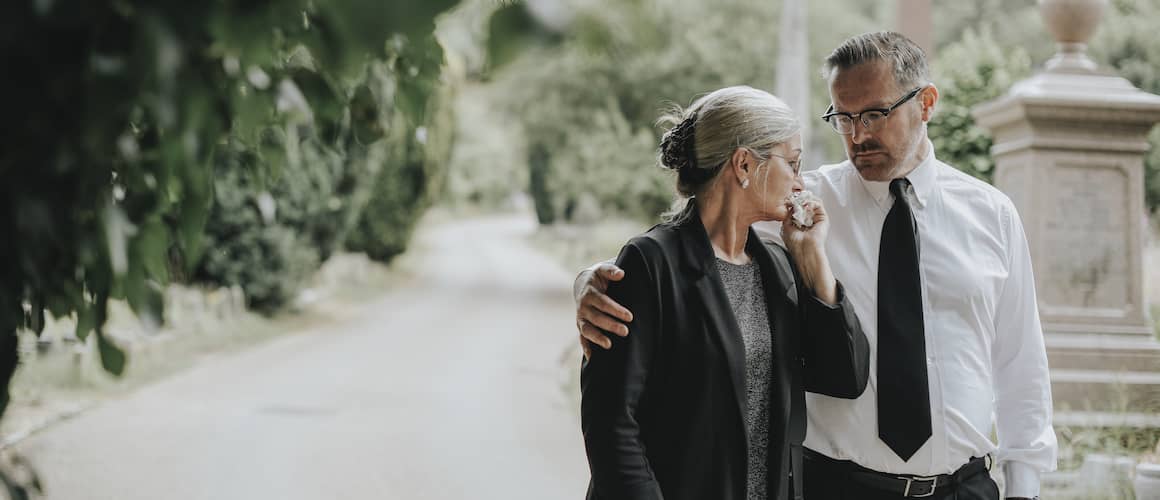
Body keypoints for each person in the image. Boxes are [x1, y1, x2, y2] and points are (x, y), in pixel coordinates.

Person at [574, 32, 1056, 500]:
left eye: (873, 113)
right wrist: (593, 283)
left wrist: (1025, 486)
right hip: (834, 486)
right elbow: (691, 242)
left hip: (963, 487)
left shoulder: (992, 214)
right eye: (842, 118)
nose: (857, 134)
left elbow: (1020, 362)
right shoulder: (801, 206)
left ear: (926, 103)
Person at [581, 86, 870, 500]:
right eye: (791, 163)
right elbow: (611, 425)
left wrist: (812, 259)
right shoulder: (650, 263)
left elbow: (845, 377)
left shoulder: (778, 266)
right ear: (744, 164)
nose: (800, 180)